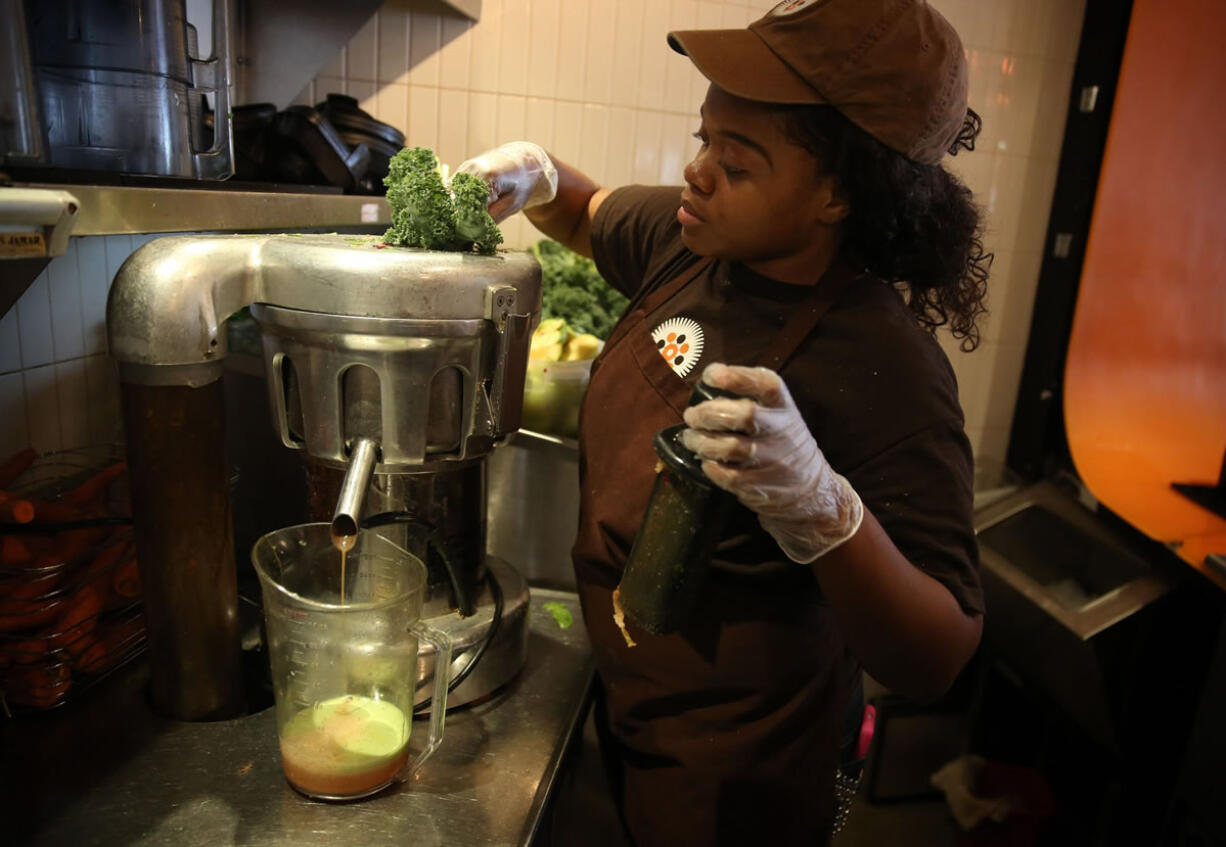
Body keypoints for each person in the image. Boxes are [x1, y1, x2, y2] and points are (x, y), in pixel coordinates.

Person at [459, 1, 988, 843]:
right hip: (632, 704)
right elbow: (586, 215)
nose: (697, 172)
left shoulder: (886, 367)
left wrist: (820, 506)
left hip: (746, 785)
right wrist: (536, 175)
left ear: (838, 195)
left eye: (735, 163)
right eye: (704, 139)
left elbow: (939, 652)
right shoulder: (693, 241)